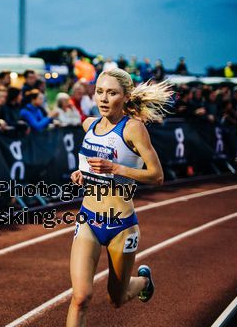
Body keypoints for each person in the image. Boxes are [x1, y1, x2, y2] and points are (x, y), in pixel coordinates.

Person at [66, 68, 172, 326]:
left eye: (111, 93)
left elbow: (157, 176)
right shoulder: (88, 125)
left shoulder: (134, 129)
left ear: (125, 96)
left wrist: (117, 169)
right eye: (99, 91)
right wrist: (81, 174)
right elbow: (90, 168)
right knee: (81, 297)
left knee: (117, 298)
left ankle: (144, 281)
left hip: (121, 225)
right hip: (89, 219)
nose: (103, 98)